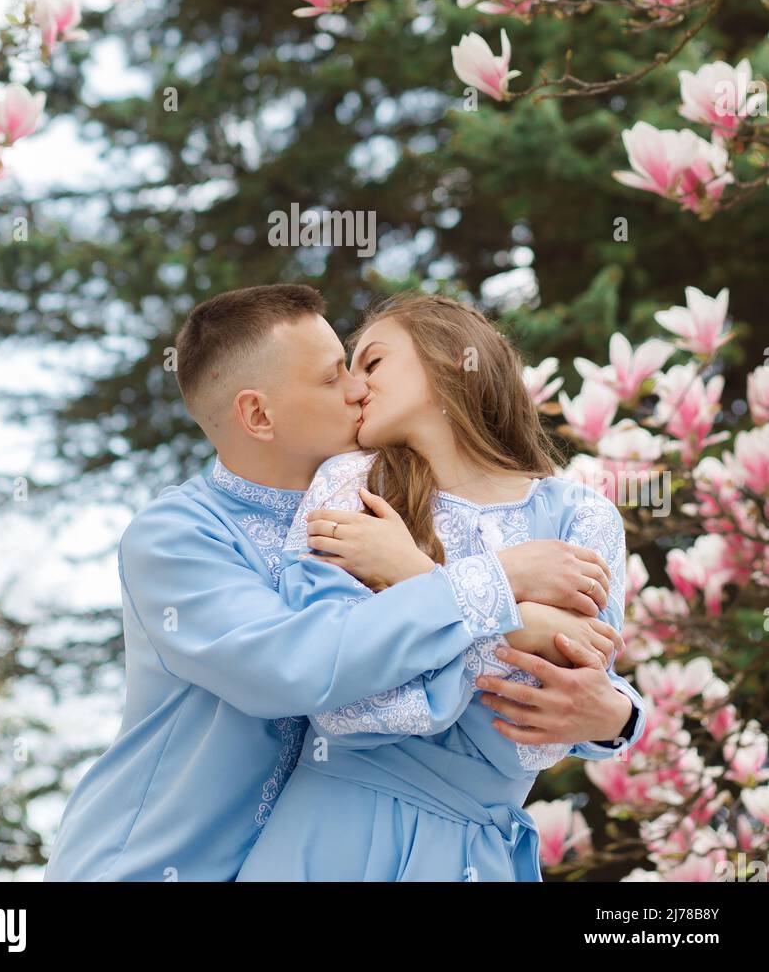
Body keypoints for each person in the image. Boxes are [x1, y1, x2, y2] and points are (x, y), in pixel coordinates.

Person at [44, 283, 643, 882]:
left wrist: (619, 717)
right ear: (257, 414)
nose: (358, 388)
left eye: (367, 365)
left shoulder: (366, 500)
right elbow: (300, 667)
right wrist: (503, 594)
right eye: (334, 376)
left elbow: (573, 694)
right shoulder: (177, 537)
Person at [237, 292, 645, 882]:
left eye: (371, 363)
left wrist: (412, 577)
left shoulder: (585, 516)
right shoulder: (349, 483)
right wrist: (525, 624)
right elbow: (342, 701)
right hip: (335, 833)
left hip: (479, 856)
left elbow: (537, 740)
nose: (353, 387)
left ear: (456, 358)